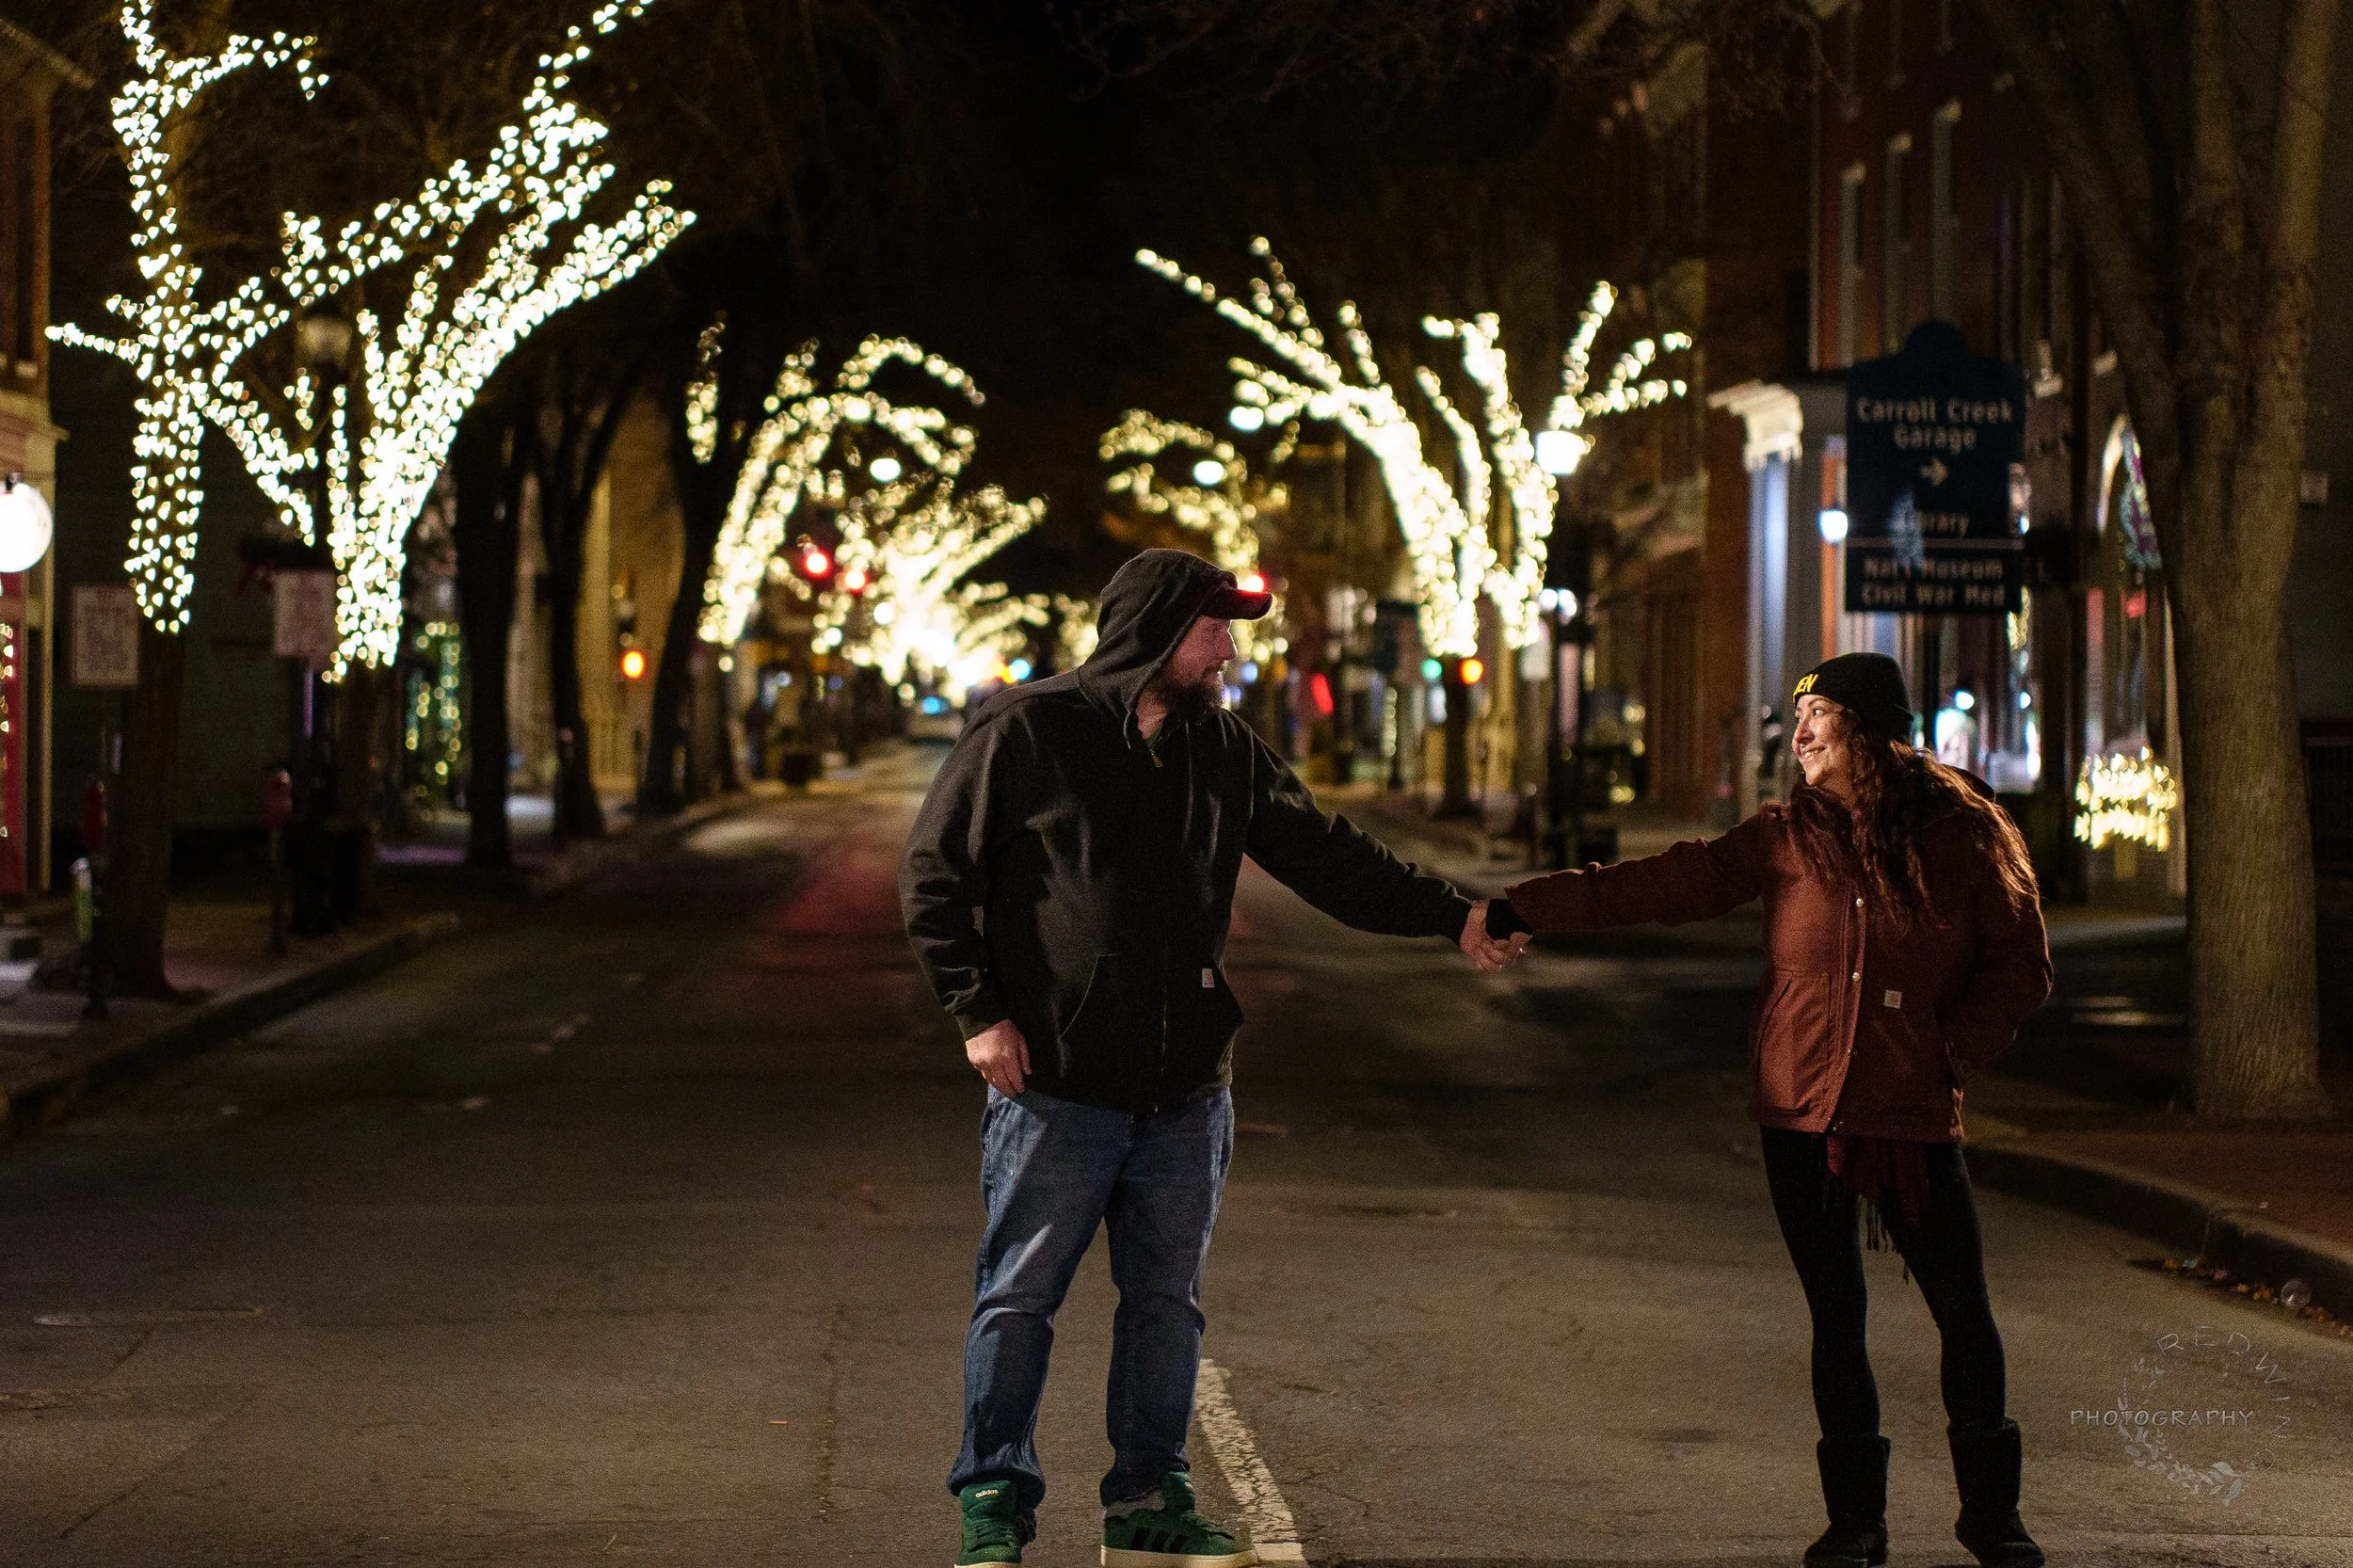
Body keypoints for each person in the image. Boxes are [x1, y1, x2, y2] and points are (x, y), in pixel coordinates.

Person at [903, 549, 1519, 1568]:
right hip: (1053, 1084)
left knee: (1165, 1301)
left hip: (1185, 1089)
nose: (1227, 649)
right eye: (1211, 630)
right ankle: (995, 1497)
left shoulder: (1220, 748)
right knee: (1019, 1296)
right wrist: (980, 1012)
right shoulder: (1027, 732)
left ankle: (1147, 1495)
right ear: (1152, 630)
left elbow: (1327, 855)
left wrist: (1451, 915)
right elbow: (933, 877)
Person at [1486, 652, 2051, 1568]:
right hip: (1801, 1111)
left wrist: (1946, 1051)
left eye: (1817, 717)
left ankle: (1992, 1516)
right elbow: (1663, 883)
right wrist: (1522, 907)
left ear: (1866, 730)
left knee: (1962, 1309)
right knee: (1836, 1312)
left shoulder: (1964, 833)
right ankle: (1855, 1524)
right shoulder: (1785, 835)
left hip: (1906, 1119)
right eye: (1798, 720)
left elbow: (2020, 965)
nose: (1798, 736)